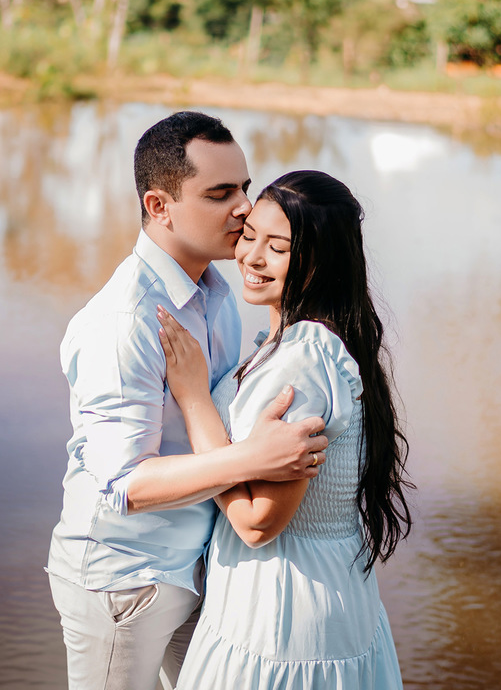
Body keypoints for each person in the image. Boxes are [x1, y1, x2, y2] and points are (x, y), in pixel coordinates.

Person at [47, 112, 330, 690]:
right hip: (125, 578)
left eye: (245, 188)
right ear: (159, 205)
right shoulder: (125, 320)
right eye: (220, 193)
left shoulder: (216, 293)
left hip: (196, 564)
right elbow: (123, 485)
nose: (245, 208)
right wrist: (255, 460)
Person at [156, 169, 413, 689]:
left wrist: (193, 397)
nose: (251, 258)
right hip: (314, 590)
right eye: (250, 236)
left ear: (322, 261)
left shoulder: (304, 363)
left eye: (279, 247)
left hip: (283, 607)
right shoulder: (300, 344)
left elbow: (257, 522)